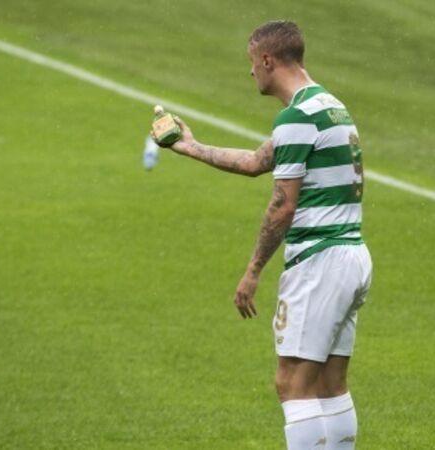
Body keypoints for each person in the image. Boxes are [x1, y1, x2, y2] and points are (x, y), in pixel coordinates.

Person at [157, 20, 372, 449]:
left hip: (319, 261)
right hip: (350, 255)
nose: (250, 71)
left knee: (292, 383)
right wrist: (188, 146)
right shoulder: (328, 106)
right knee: (330, 383)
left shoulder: (297, 117)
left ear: (269, 60)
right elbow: (256, 162)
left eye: (253, 62)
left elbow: (282, 205)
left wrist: (253, 270)